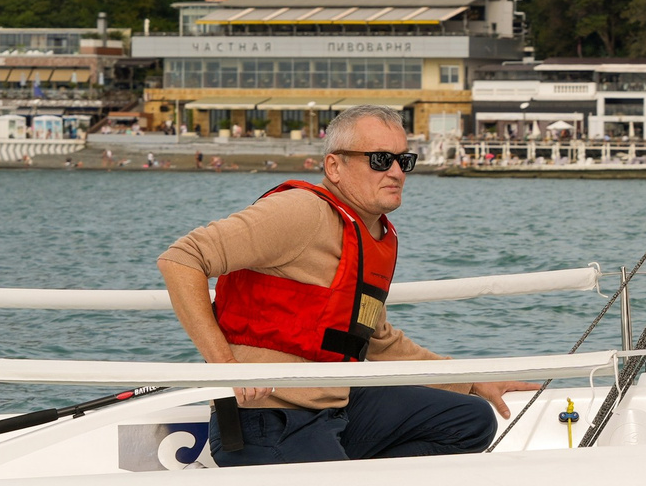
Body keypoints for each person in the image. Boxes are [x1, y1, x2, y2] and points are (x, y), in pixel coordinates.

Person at [158, 104, 533, 465]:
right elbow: (180, 259)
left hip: (334, 408)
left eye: (404, 161)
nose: (397, 173)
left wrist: (470, 381)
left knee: (471, 420)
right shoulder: (300, 211)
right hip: (266, 417)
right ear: (334, 166)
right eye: (380, 160)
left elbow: (378, 342)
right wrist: (226, 366)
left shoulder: (368, 234)